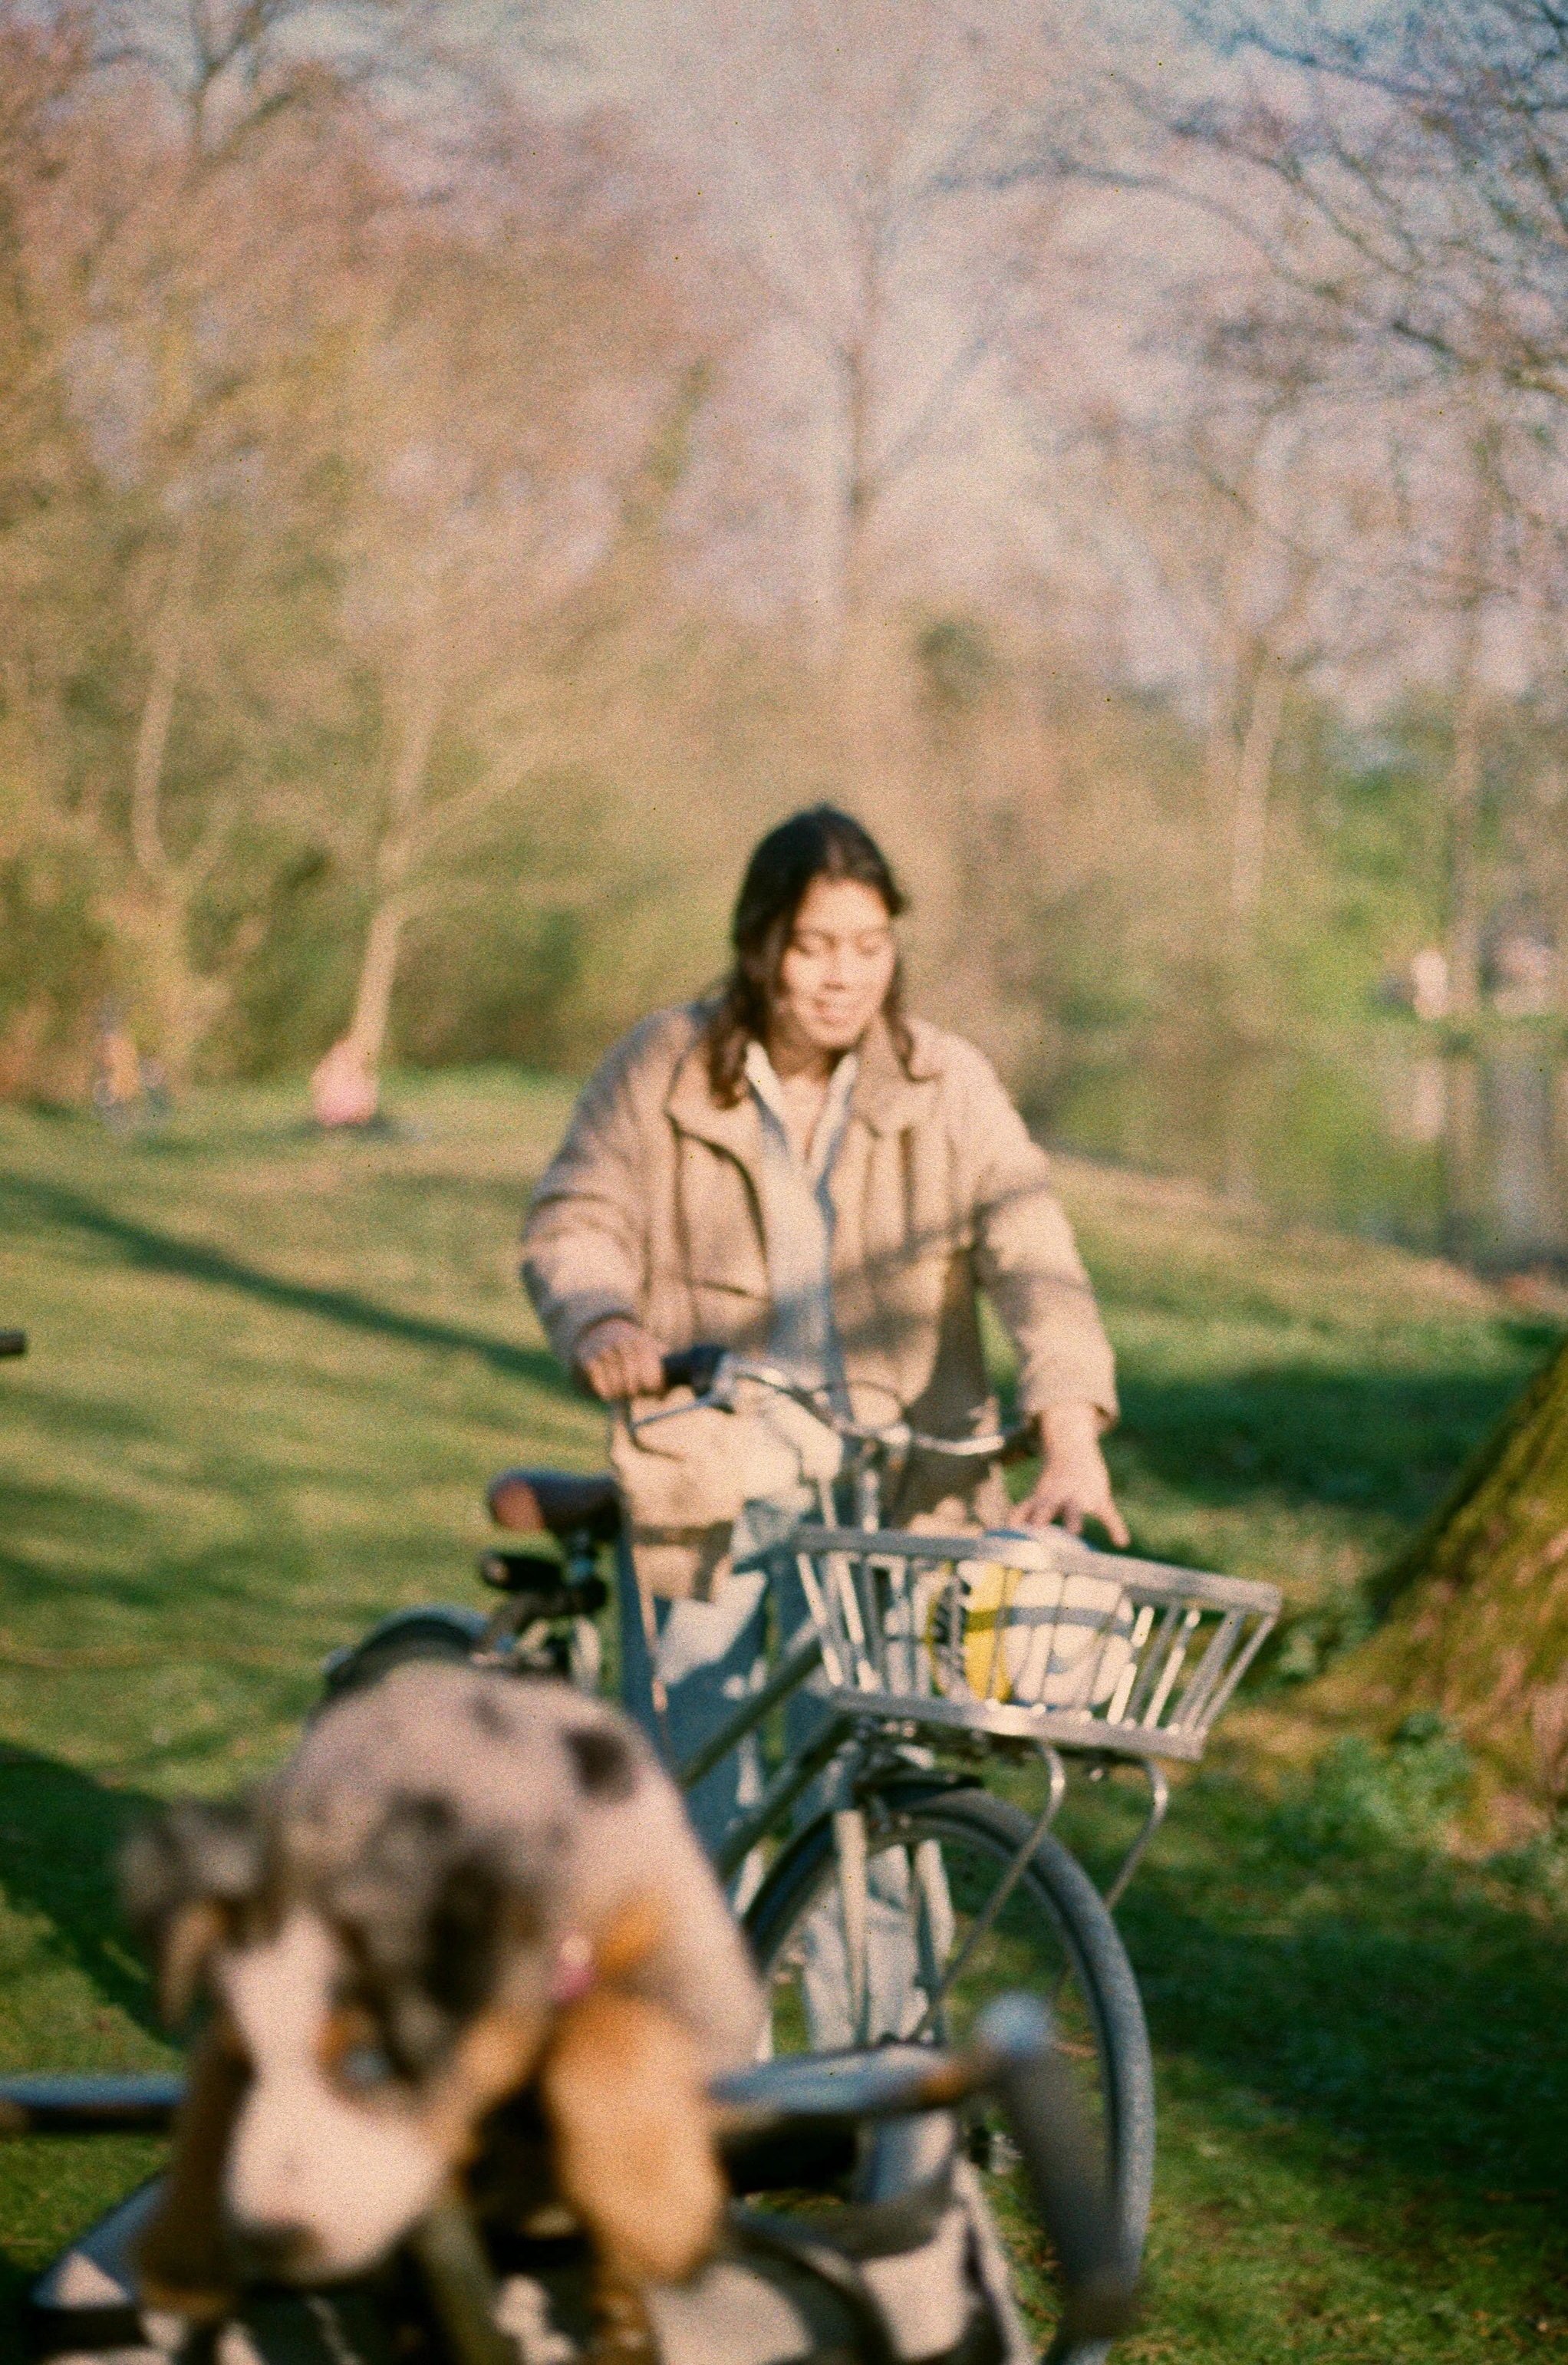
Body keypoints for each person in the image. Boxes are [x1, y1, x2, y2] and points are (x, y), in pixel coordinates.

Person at [522, 806, 1125, 1882]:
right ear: (760, 945)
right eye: (814, 947)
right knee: (692, 1802)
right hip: (705, 1477)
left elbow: (1035, 1256)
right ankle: (705, 1992)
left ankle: (871, 2003)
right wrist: (603, 1318)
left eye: (869, 946)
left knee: (876, 1810)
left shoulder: (946, 1083)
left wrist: (1071, 1431)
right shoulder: (661, 1065)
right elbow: (578, 1217)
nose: (844, 978)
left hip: (893, 1496)